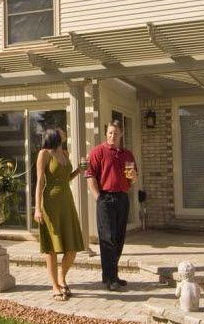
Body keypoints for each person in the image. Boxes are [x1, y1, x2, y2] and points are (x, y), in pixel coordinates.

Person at [85, 120, 138, 291]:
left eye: (115, 133)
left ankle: (110, 275)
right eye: (109, 133)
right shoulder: (98, 152)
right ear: (106, 133)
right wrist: (98, 198)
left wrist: (131, 178)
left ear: (121, 134)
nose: (112, 136)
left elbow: (131, 178)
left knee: (119, 238)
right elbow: (90, 175)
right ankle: (110, 278)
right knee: (107, 239)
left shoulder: (127, 154)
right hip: (105, 199)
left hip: (122, 198)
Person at [34, 128, 86, 301]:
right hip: (50, 203)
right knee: (52, 247)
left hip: (66, 202)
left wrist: (78, 170)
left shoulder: (65, 152)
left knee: (72, 248)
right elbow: (40, 181)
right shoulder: (44, 154)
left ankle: (62, 278)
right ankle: (55, 285)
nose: (65, 132)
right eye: (61, 131)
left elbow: (65, 178)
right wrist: (37, 208)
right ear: (55, 136)